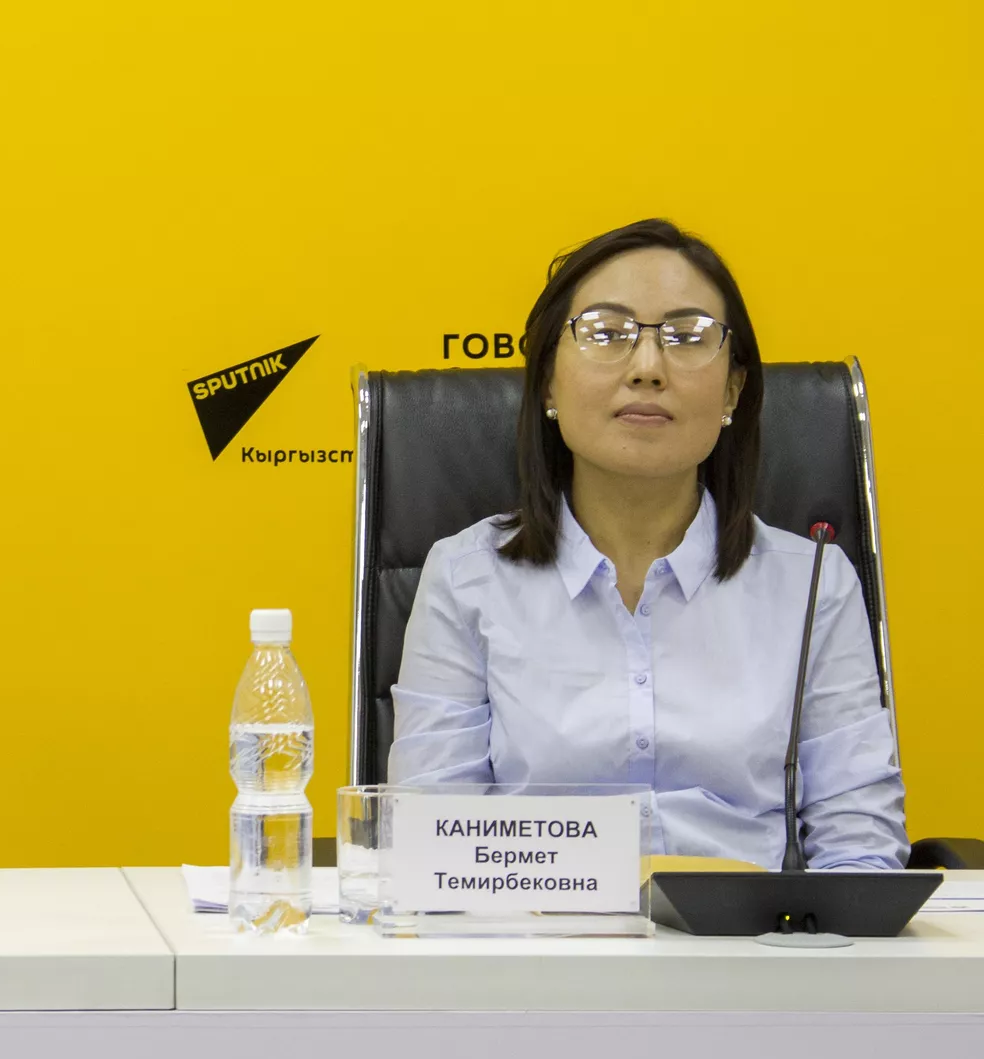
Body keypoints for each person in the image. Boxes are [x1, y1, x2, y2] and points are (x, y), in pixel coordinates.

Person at [388, 218, 907, 870]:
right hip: (536, 929)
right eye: (607, 333)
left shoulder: (812, 585)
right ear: (547, 381)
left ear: (733, 390)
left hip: (753, 931)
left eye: (687, 337)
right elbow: (434, 841)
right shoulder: (467, 577)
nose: (647, 368)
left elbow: (858, 847)